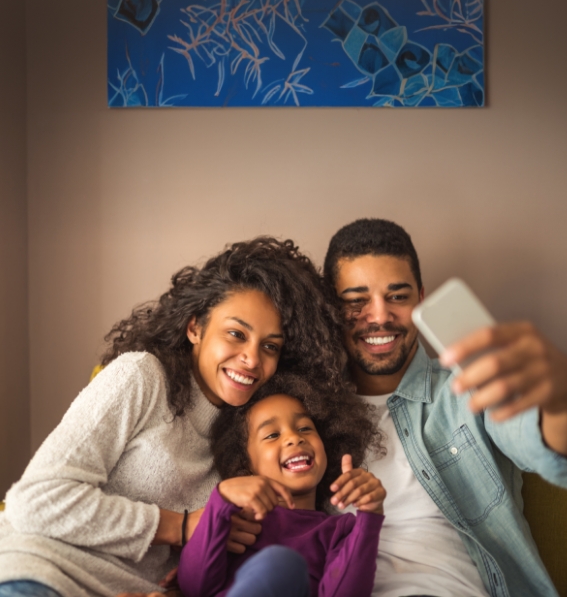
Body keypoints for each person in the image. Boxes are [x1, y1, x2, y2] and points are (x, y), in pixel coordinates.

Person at [0, 237, 346, 597]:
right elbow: (35, 502)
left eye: (270, 346)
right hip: (43, 576)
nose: (252, 359)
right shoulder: (141, 376)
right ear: (195, 328)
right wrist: (181, 526)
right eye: (236, 334)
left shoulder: (253, 440)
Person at [323, 218, 567, 597]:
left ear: (420, 299)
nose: (379, 316)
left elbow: (539, 442)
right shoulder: (308, 417)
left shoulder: (470, 386)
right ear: (331, 309)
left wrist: (558, 401)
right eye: (356, 301)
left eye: (397, 296)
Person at [177, 372, 386, 597]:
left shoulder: (340, 530)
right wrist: (221, 501)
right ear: (245, 465)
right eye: (272, 435)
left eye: (305, 428)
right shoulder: (235, 522)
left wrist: (369, 515)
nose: (294, 438)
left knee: (283, 565)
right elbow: (193, 587)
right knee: (279, 563)